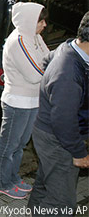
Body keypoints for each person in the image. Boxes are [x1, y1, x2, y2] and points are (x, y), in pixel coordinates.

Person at [28, 12, 89, 214]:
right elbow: (63, 120)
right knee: (61, 203)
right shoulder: (69, 73)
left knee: (45, 184)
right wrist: (78, 152)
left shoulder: (69, 47)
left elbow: (46, 60)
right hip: (58, 140)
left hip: (50, 135)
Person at [0, 2, 50, 199]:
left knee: (21, 144)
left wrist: (47, 67)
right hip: (18, 102)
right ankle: (1, 183)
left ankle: (12, 178)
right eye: (40, 21)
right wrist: (48, 68)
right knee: (9, 145)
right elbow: (36, 74)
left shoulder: (34, 37)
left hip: (32, 101)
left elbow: (49, 60)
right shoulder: (19, 41)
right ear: (29, 21)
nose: (44, 25)